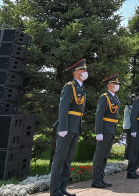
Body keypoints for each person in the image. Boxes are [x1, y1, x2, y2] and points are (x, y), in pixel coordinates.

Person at [50, 58, 88, 196]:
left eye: (85, 69)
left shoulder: (81, 88)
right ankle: (55, 190)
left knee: (68, 159)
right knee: (59, 159)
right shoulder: (69, 86)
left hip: (75, 126)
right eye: (83, 70)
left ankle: (62, 187)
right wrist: (63, 127)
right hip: (66, 128)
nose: (85, 72)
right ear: (76, 72)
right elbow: (63, 107)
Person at [91, 73, 120, 188]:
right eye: (115, 83)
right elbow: (99, 115)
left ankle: (101, 178)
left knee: (105, 156)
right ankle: (95, 180)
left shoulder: (115, 98)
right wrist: (98, 132)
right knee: (99, 156)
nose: (117, 85)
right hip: (104, 130)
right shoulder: (105, 97)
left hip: (111, 129)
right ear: (110, 85)